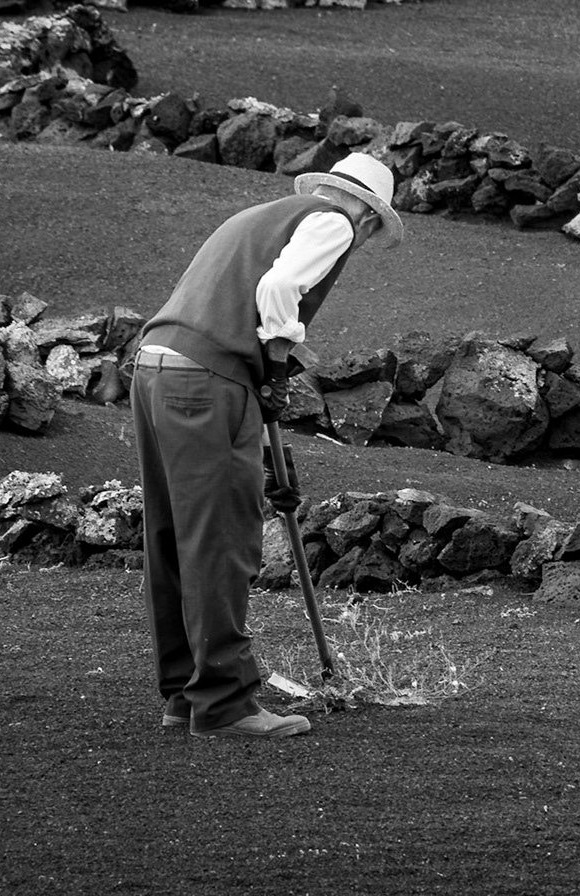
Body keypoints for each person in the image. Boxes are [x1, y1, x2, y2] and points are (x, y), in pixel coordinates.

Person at [131, 153, 403, 739]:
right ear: (369, 214)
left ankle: (184, 695)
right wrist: (278, 364)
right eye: (374, 226)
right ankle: (225, 704)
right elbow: (277, 289)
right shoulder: (334, 221)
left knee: (173, 536)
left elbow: (232, 306)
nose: (365, 238)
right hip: (206, 379)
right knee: (220, 538)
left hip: (157, 369)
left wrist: (263, 410)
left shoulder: (261, 215)